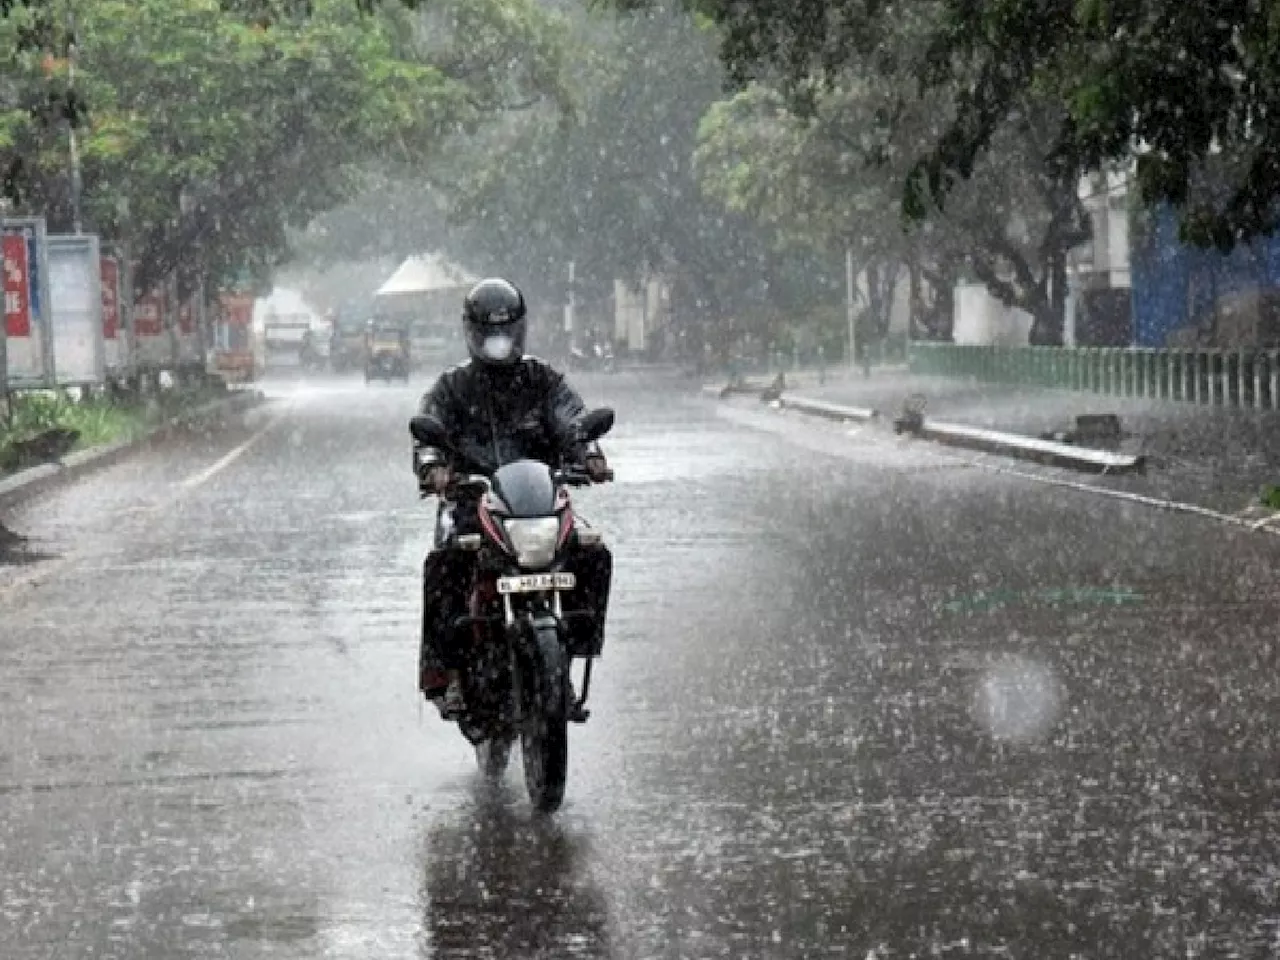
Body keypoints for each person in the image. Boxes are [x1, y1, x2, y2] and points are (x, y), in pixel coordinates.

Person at [412, 278, 613, 719]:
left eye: (505, 330)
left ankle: (577, 647)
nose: (498, 342)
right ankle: (442, 675)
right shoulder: (452, 387)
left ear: (520, 329)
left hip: (538, 504)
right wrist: (433, 467)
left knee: (593, 553)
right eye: (489, 332)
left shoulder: (542, 380)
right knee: (445, 564)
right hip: (473, 503)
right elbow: (428, 427)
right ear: (472, 332)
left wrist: (590, 455)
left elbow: (573, 419)